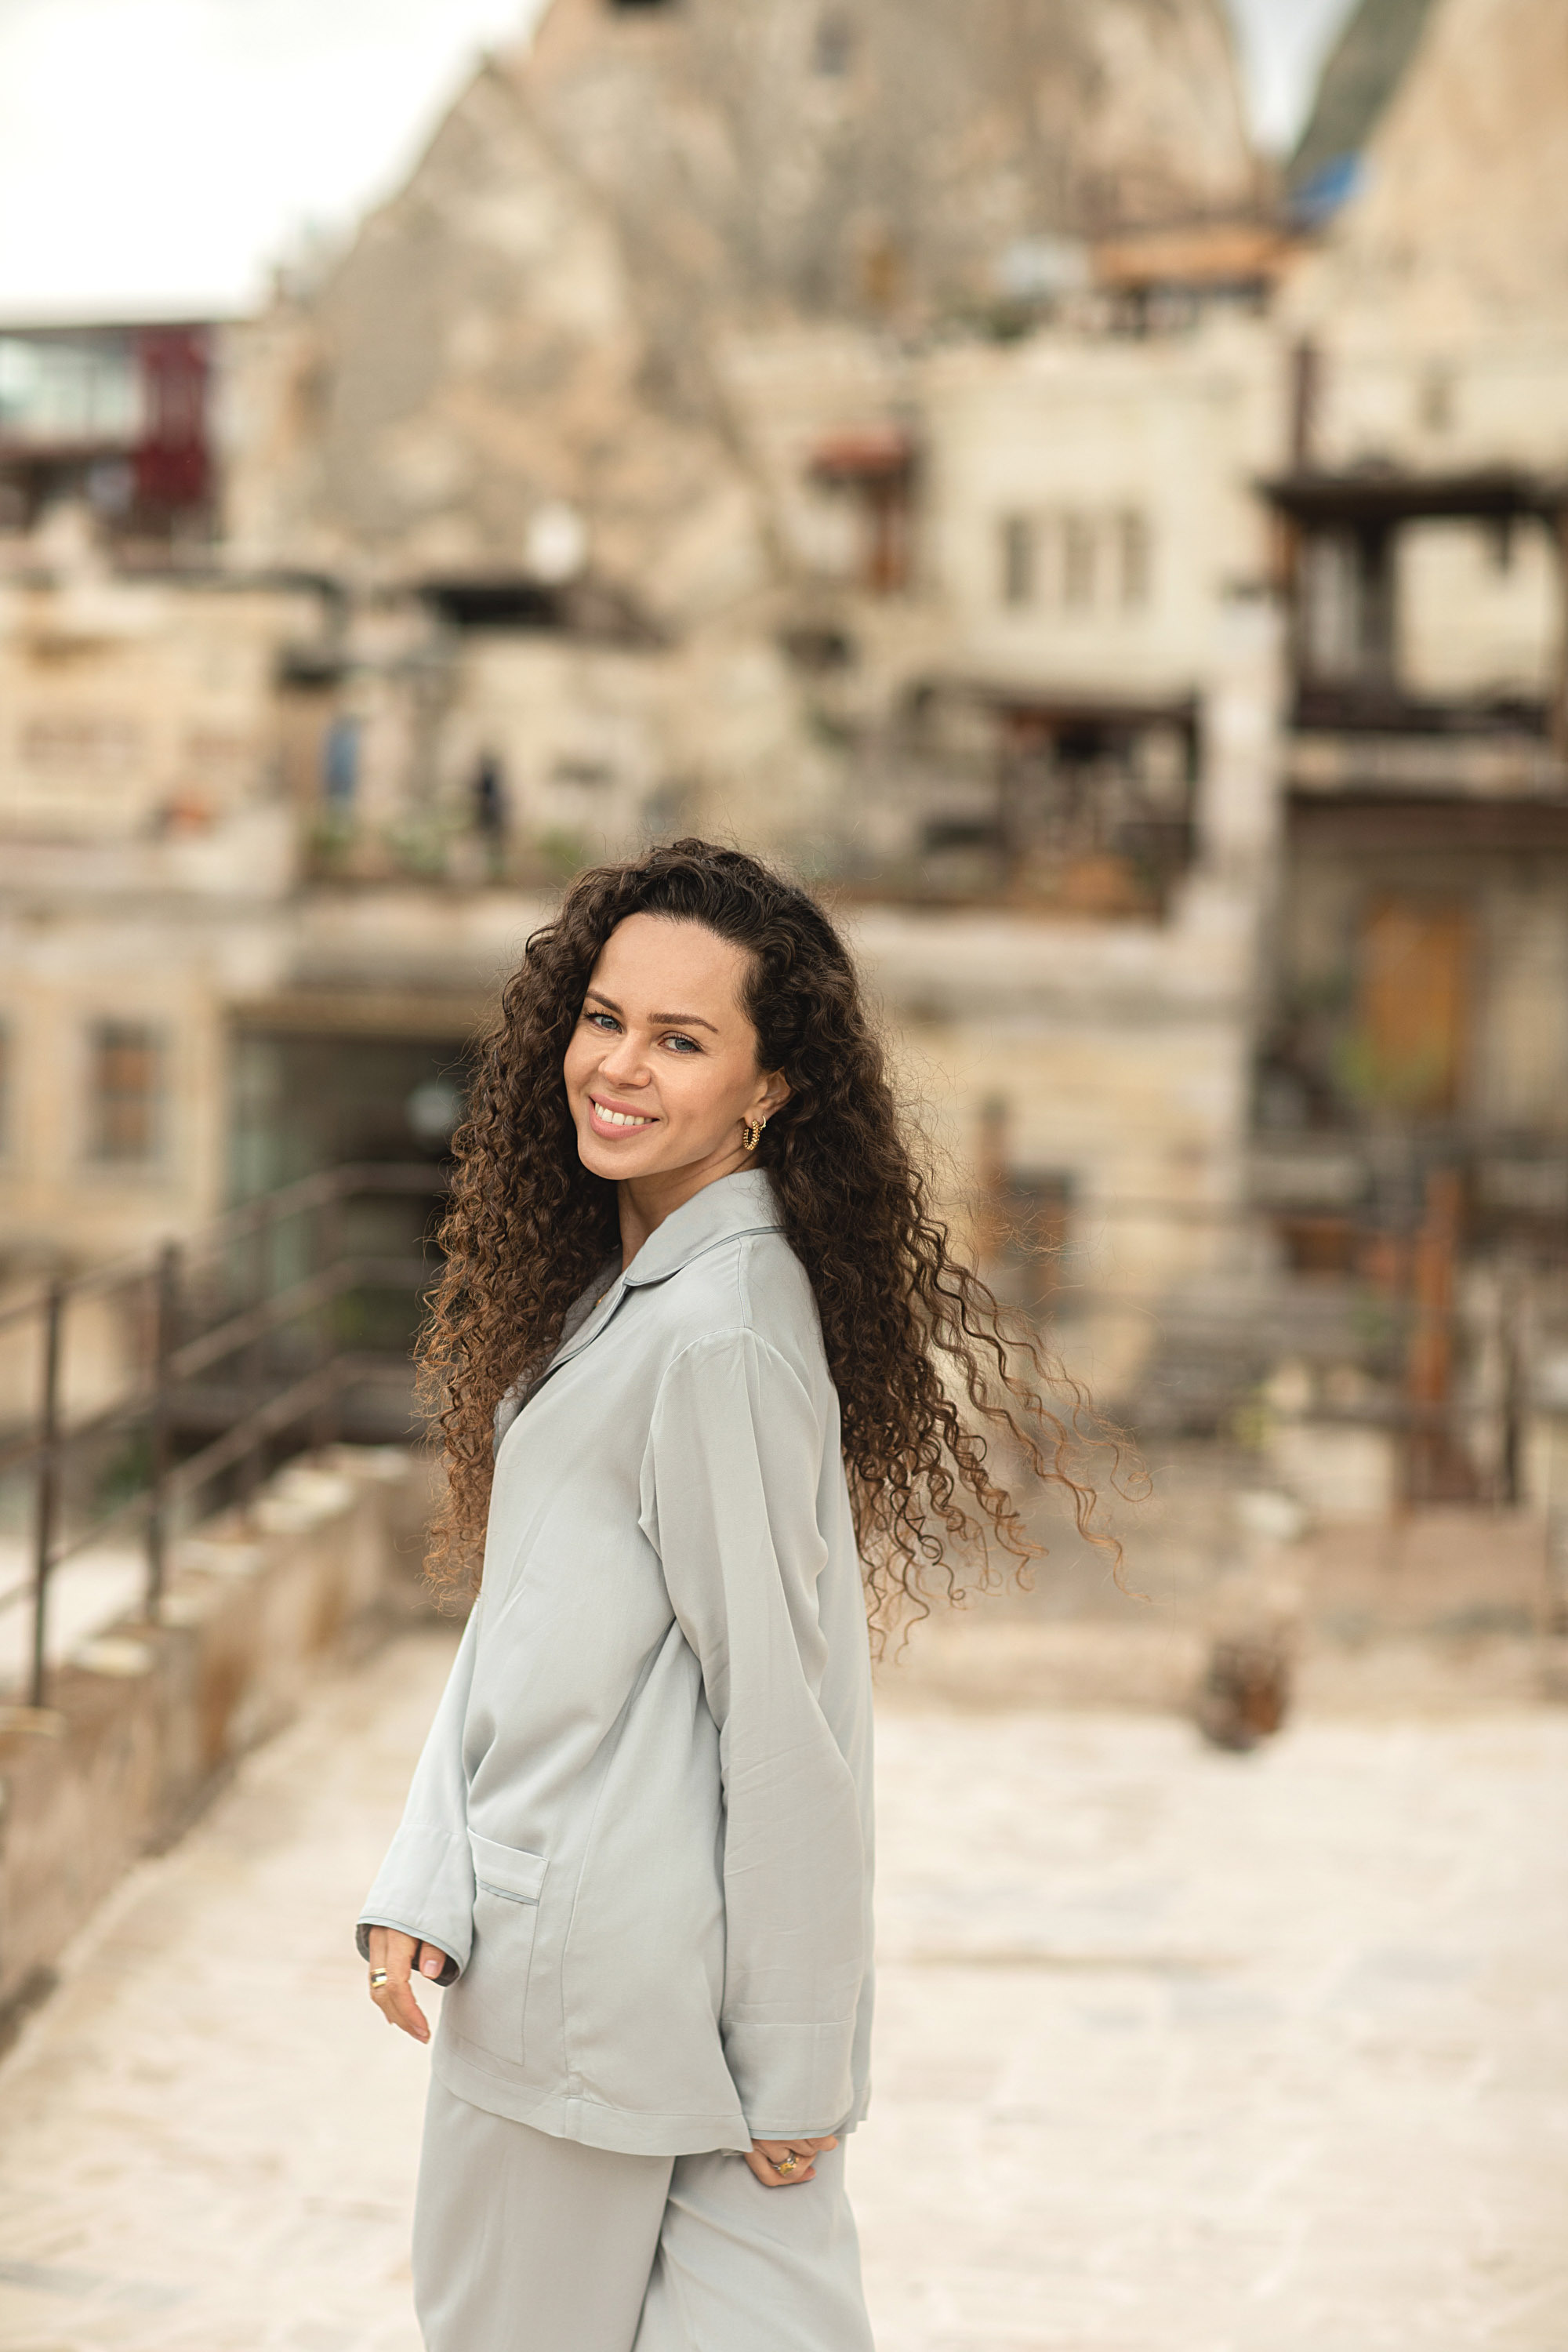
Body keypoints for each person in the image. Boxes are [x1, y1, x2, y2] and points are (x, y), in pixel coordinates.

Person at [358, 839, 1110, 2351]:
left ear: (770, 1091)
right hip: (616, 1983)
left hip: (594, 2003)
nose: (618, 1067)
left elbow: (784, 1715)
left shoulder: (713, 1333)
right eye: (604, 1017)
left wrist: (799, 2064)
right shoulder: (655, 1296)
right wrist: (423, 1875)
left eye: (682, 1039)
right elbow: (527, 1633)